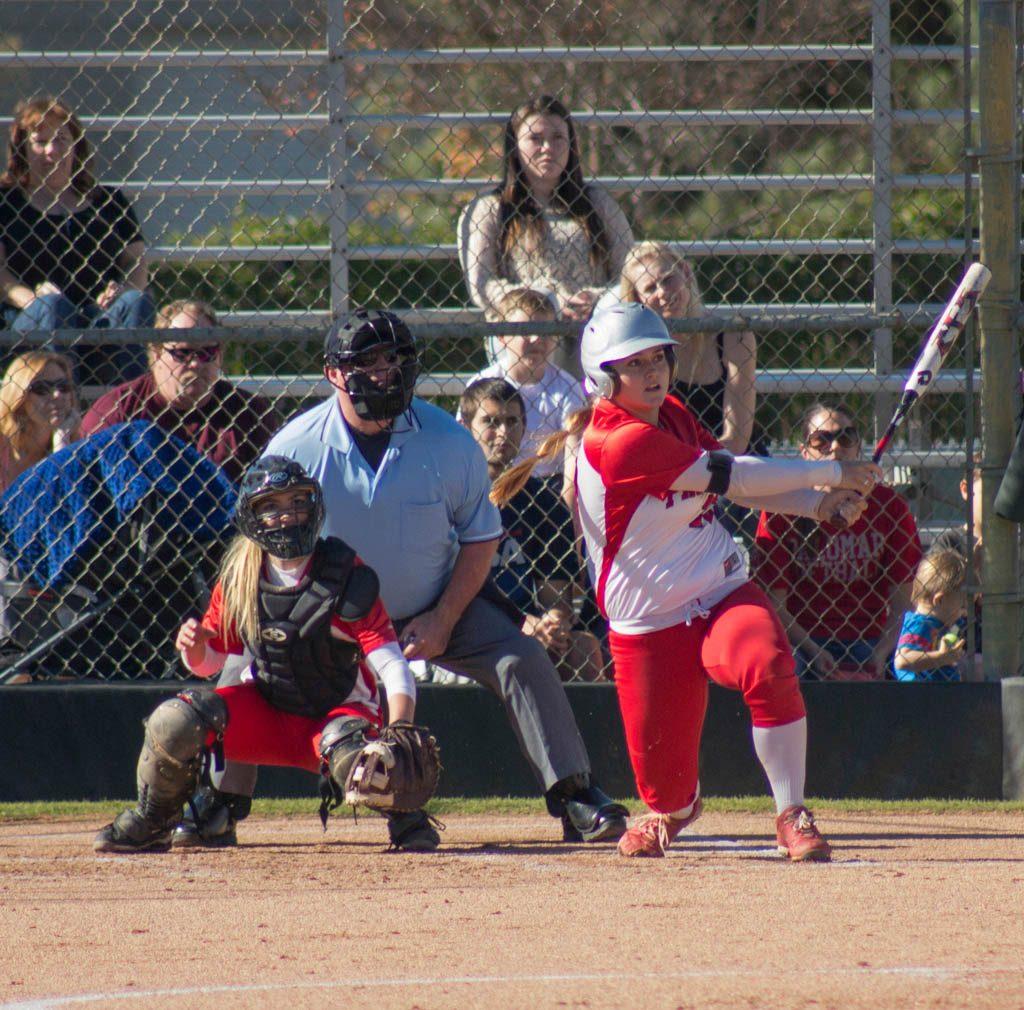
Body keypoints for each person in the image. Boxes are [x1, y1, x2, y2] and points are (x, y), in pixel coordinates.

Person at [180, 310, 628, 852]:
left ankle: (575, 794)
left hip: (434, 604)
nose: (382, 372)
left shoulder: (447, 439)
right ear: (332, 373)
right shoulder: (297, 446)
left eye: (392, 359)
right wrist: (258, 622)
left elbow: (479, 539)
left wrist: (442, 619)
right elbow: (257, 545)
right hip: (328, 617)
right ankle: (220, 802)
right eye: (365, 362)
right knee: (242, 662)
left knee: (520, 658)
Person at [491, 303, 882, 859]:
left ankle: (791, 811)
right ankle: (674, 811)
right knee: (665, 790)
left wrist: (820, 508)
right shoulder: (616, 441)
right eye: (634, 363)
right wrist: (833, 473)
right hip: (646, 622)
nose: (653, 372)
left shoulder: (670, 412)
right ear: (604, 376)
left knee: (767, 663)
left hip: (719, 591)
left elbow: (735, 485)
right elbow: (733, 472)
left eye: (658, 358)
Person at [94, 456, 422, 853]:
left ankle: (406, 814)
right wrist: (196, 648)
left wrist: (400, 728)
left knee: (363, 761)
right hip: (269, 714)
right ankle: (156, 819)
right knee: (175, 720)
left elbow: (392, 665)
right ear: (252, 518)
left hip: (336, 722)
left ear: (314, 506)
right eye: (272, 507)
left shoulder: (345, 574)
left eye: (297, 502)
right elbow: (213, 662)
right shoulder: (242, 575)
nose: (287, 517)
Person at [754, 402, 922, 681]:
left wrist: (881, 653)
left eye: (846, 438)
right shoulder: (783, 506)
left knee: (908, 663)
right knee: (784, 664)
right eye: (821, 440)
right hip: (802, 639)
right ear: (805, 453)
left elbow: (903, 600)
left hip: (869, 638)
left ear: (857, 448)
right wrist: (814, 653)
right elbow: (775, 603)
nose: (835, 448)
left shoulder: (888, 506)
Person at [457, 94, 633, 346]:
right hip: (524, 335)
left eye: (558, 138)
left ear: (571, 145)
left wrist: (596, 299)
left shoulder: (598, 203)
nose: (548, 148)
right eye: (535, 139)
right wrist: (544, 302)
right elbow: (482, 285)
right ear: (515, 146)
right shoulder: (491, 208)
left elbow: (628, 274)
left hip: (593, 329)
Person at [0, 96, 154, 384]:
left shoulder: (108, 200)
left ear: (75, 146)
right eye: (40, 141)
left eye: (61, 139)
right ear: (22, 148)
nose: (52, 151)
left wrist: (123, 290)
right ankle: (67, 411)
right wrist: (35, 301)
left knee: (136, 301)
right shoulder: (6, 203)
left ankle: (133, 408)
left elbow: (135, 259)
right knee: (54, 308)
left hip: (99, 313)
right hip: (31, 318)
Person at [460, 377, 604, 682]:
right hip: (465, 623)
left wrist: (553, 624)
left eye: (512, 422)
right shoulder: (450, 497)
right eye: (490, 421)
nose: (503, 433)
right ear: (465, 427)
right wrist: (519, 623)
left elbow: (556, 595)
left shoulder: (543, 502)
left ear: (524, 427)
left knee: (584, 649)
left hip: (531, 628)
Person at [80, 300, 281, 483]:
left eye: (206, 353)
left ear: (219, 357)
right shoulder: (118, 410)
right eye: (182, 353)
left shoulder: (248, 412)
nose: (194, 363)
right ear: (156, 354)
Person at [618, 241, 757, 456]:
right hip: (668, 470)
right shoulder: (633, 349)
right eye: (650, 288)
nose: (663, 292)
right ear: (637, 299)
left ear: (685, 273)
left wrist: (695, 470)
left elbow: (736, 440)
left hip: (732, 466)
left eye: (668, 279)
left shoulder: (733, 335)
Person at [462, 287, 587, 478]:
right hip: (490, 479)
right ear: (502, 336)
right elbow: (463, 445)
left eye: (547, 332)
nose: (537, 339)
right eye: (526, 331)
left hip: (546, 485)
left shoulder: (567, 388)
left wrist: (566, 505)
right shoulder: (481, 383)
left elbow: (574, 460)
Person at [0, 349, 80, 493]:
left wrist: (61, 442)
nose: (57, 395)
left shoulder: (75, 445)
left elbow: (67, 500)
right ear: (19, 397)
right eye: (41, 389)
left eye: (63, 386)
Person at [893, 549, 969, 682]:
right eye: (962, 606)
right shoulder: (920, 624)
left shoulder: (945, 622)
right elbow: (902, 660)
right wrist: (940, 657)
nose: (964, 612)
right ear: (940, 600)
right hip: (921, 697)